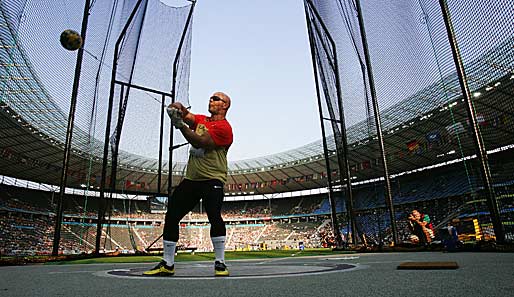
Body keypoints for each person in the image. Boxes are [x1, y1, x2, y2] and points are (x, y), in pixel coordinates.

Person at [144, 92, 233, 277]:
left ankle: (220, 263)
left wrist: (180, 125)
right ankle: (167, 263)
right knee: (172, 215)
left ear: (225, 105)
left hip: (213, 178)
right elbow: (186, 113)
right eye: (210, 97)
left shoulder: (225, 128)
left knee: (214, 216)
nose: (211, 99)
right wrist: (176, 108)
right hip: (192, 179)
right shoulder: (201, 120)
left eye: (216, 98)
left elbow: (199, 141)